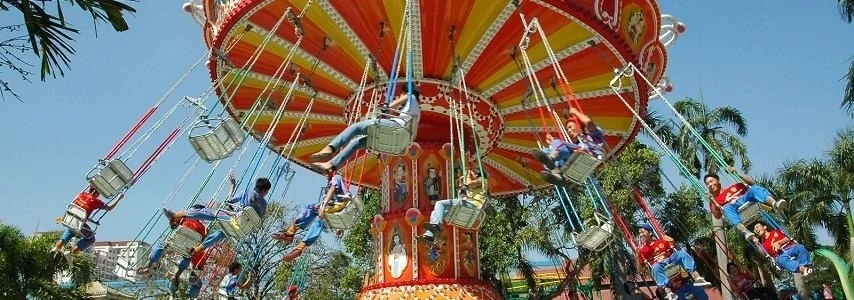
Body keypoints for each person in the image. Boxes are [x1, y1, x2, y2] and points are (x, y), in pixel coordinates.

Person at [310, 85, 421, 174]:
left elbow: (391, 107)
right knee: (356, 143)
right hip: (402, 141)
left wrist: (386, 107)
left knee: (356, 127)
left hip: (397, 128)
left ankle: (331, 148)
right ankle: (331, 165)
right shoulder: (417, 110)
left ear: (404, 93)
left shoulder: (409, 95)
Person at [163, 175, 272, 256]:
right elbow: (258, 220)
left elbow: (229, 201)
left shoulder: (248, 192)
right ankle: (196, 250)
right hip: (242, 229)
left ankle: (177, 215)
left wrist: (233, 185)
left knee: (211, 213)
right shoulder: (264, 205)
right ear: (264, 190)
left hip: (234, 219)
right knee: (220, 233)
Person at [274, 173, 352, 262]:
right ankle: (294, 240)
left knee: (315, 215)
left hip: (334, 206)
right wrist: (340, 226)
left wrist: (323, 206)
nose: (324, 173)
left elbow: (333, 189)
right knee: (313, 215)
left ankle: (295, 241)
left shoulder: (336, 177)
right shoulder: (339, 184)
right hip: (335, 207)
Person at [705, 166, 787, 240]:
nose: (710, 185)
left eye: (711, 181)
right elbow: (717, 215)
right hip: (734, 208)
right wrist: (711, 199)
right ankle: (745, 231)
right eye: (707, 184)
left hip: (747, 199)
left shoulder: (735, 186)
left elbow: (751, 182)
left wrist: (736, 173)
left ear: (718, 180)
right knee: (726, 208)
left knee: (754, 189)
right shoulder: (715, 201)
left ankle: (774, 204)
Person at [417, 159, 487, 243]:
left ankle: (437, 225)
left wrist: (468, 172)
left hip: (473, 206)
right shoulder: (473, 187)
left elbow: (468, 183)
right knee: (434, 212)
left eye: (475, 173)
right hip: (467, 206)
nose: (474, 174)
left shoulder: (482, 181)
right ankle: (430, 235)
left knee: (439, 203)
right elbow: (461, 185)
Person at [530, 107, 605, 185]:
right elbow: (566, 149)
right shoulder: (576, 145)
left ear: (579, 125)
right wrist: (552, 143)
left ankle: (552, 160)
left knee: (557, 143)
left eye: (570, 127)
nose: (569, 131)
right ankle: (557, 175)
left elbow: (588, 122)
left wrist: (575, 112)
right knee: (549, 149)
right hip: (575, 158)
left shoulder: (594, 135)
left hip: (590, 156)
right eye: (567, 130)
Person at [135, 217, 209, 297]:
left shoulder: (184, 218)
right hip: (186, 256)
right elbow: (201, 241)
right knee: (195, 279)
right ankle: (188, 295)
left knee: (160, 245)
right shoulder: (202, 228)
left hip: (175, 247)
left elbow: (173, 225)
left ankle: (149, 265)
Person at [51, 186, 125, 265]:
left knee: (70, 231)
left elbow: (81, 209)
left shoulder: (81, 195)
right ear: (95, 192)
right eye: (99, 193)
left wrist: (88, 218)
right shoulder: (96, 201)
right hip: (79, 225)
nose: (99, 195)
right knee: (91, 239)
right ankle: (70, 253)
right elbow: (109, 208)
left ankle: (55, 249)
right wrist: (119, 198)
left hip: (70, 220)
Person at [637, 224, 710, 300]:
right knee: (655, 267)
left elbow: (676, 250)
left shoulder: (662, 242)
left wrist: (673, 242)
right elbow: (640, 270)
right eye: (640, 233)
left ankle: (697, 277)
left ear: (650, 233)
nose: (641, 235)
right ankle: (668, 292)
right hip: (661, 267)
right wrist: (637, 255)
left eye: (642, 232)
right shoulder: (643, 251)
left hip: (672, 262)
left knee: (681, 253)